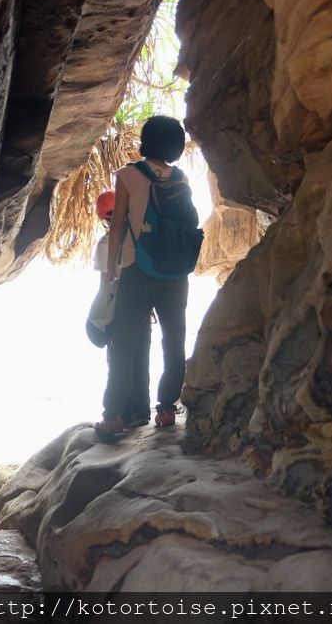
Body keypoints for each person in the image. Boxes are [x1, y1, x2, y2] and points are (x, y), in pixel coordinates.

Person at [96, 116, 190, 435]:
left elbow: (119, 226)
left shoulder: (128, 175)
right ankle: (166, 410)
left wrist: (111, 271)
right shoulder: (181, 178)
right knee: (174, 341)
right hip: (176, 275)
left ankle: (113, 418)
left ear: (147, 139)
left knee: (123, 344)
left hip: (138, 271)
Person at [91, 191, 152, 419]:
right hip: (143, 306)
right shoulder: (141, 238)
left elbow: (105, 283)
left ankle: (123, 411)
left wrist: (103, 316)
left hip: (120, 309)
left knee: (118, 361)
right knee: (141, 359)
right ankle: (142, 411)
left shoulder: (106, 243)